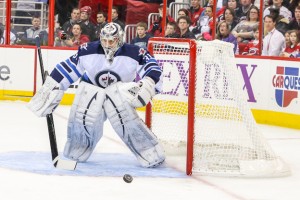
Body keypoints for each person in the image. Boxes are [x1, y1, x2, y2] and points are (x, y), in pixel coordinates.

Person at [27, 22, 165, 168]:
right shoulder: (88, 50)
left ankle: (149, 150)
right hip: (92, 92)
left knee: (123, 113)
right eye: (104, 40)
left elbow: (153, 67)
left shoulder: (135, 52)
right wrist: (52, 86)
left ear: (120, 40)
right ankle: (78, 148)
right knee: (85, 109)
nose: (107, 44)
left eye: (111, 41)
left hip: (119, 95)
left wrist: (148, 83)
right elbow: (67, 68)